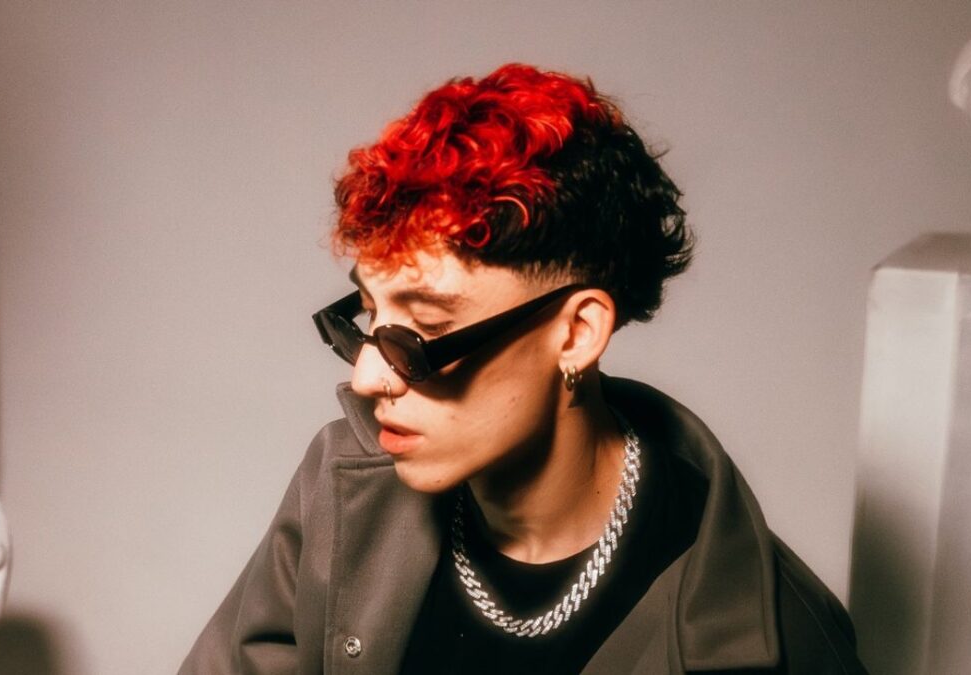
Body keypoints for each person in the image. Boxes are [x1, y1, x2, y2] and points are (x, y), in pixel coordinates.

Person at [179, 64, 867, 674]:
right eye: (365, 315)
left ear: (577, 333)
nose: (366, 378)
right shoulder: (343, 484)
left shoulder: (776, 635)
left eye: (427, 331)